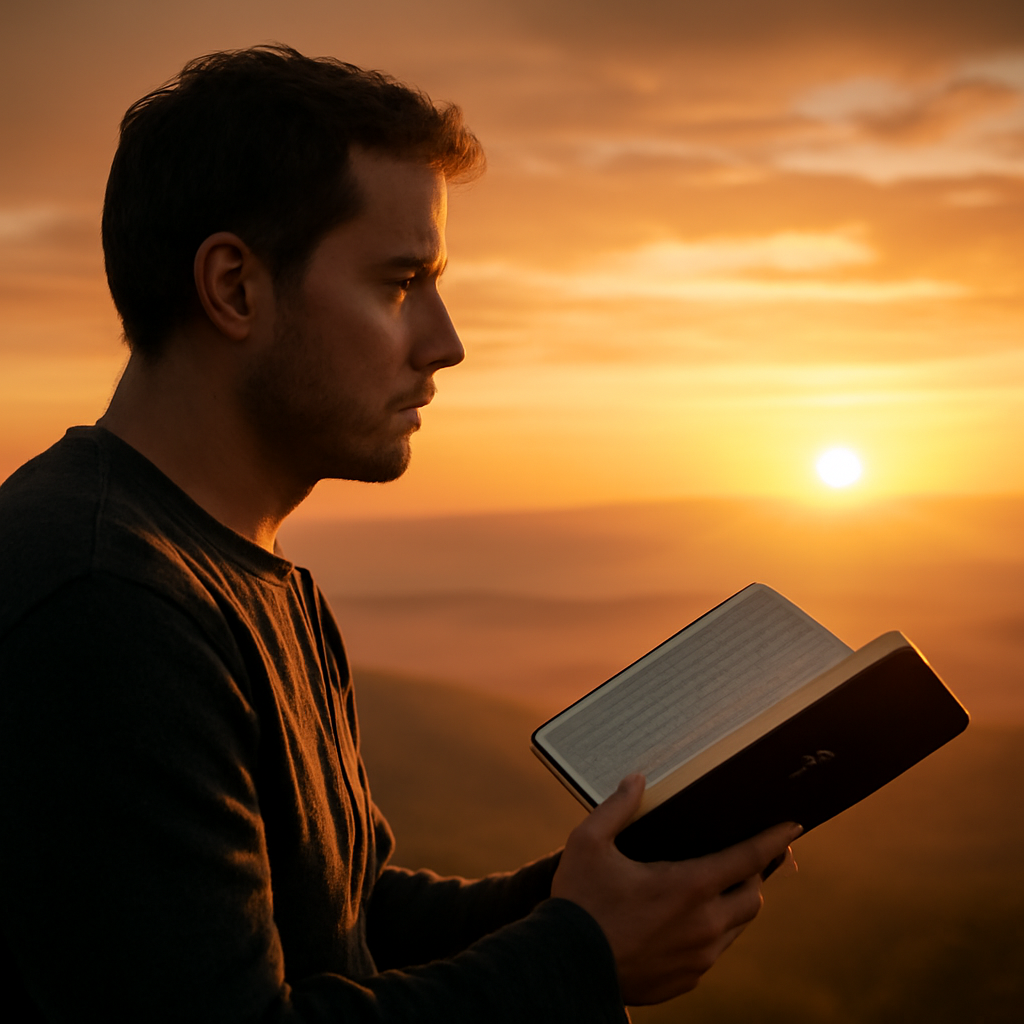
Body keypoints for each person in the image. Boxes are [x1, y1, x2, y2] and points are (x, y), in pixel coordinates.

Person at [0, 45, 799, 1023]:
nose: (444, 342)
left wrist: (583, 896)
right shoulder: (102, 605)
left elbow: (345, 915)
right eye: (398, 283)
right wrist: (579, 958)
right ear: (236, 288)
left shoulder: (245, 574)